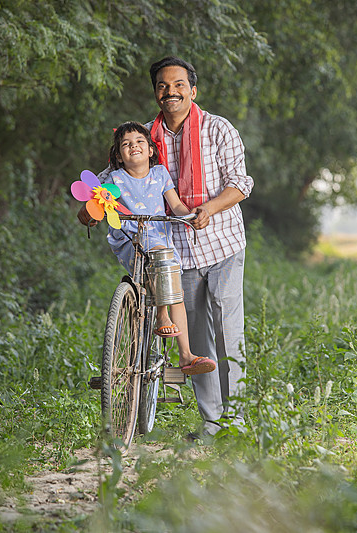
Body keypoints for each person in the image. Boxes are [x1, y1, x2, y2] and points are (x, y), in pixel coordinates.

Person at [79, 56, 253, 436]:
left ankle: (236, 421)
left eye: (178, 85)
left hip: (221, 243)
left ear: (193, 90)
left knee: (227, 331)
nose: (170, 92)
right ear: (156, 92)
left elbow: (242, 183)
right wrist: (92, 206)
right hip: (174, 250)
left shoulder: (218, 130)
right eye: (162, 86)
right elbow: (112, 178)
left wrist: (208, 207)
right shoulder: (145, 135)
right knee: (197, 337)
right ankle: (211, 422)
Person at [105, 121, 216, 376]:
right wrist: (95, 208)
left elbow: (175, 206)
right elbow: (104, 204)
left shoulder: (160, 174)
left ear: (151, 150)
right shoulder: (115, 179)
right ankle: (161, 317)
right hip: (131, 238)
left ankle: (186, 355)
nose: (134, 146)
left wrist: (189, 216)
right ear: (119, 156)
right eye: (126, 144)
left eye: (139, 142)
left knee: (175, 290)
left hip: (160, 238)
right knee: (161, 258)